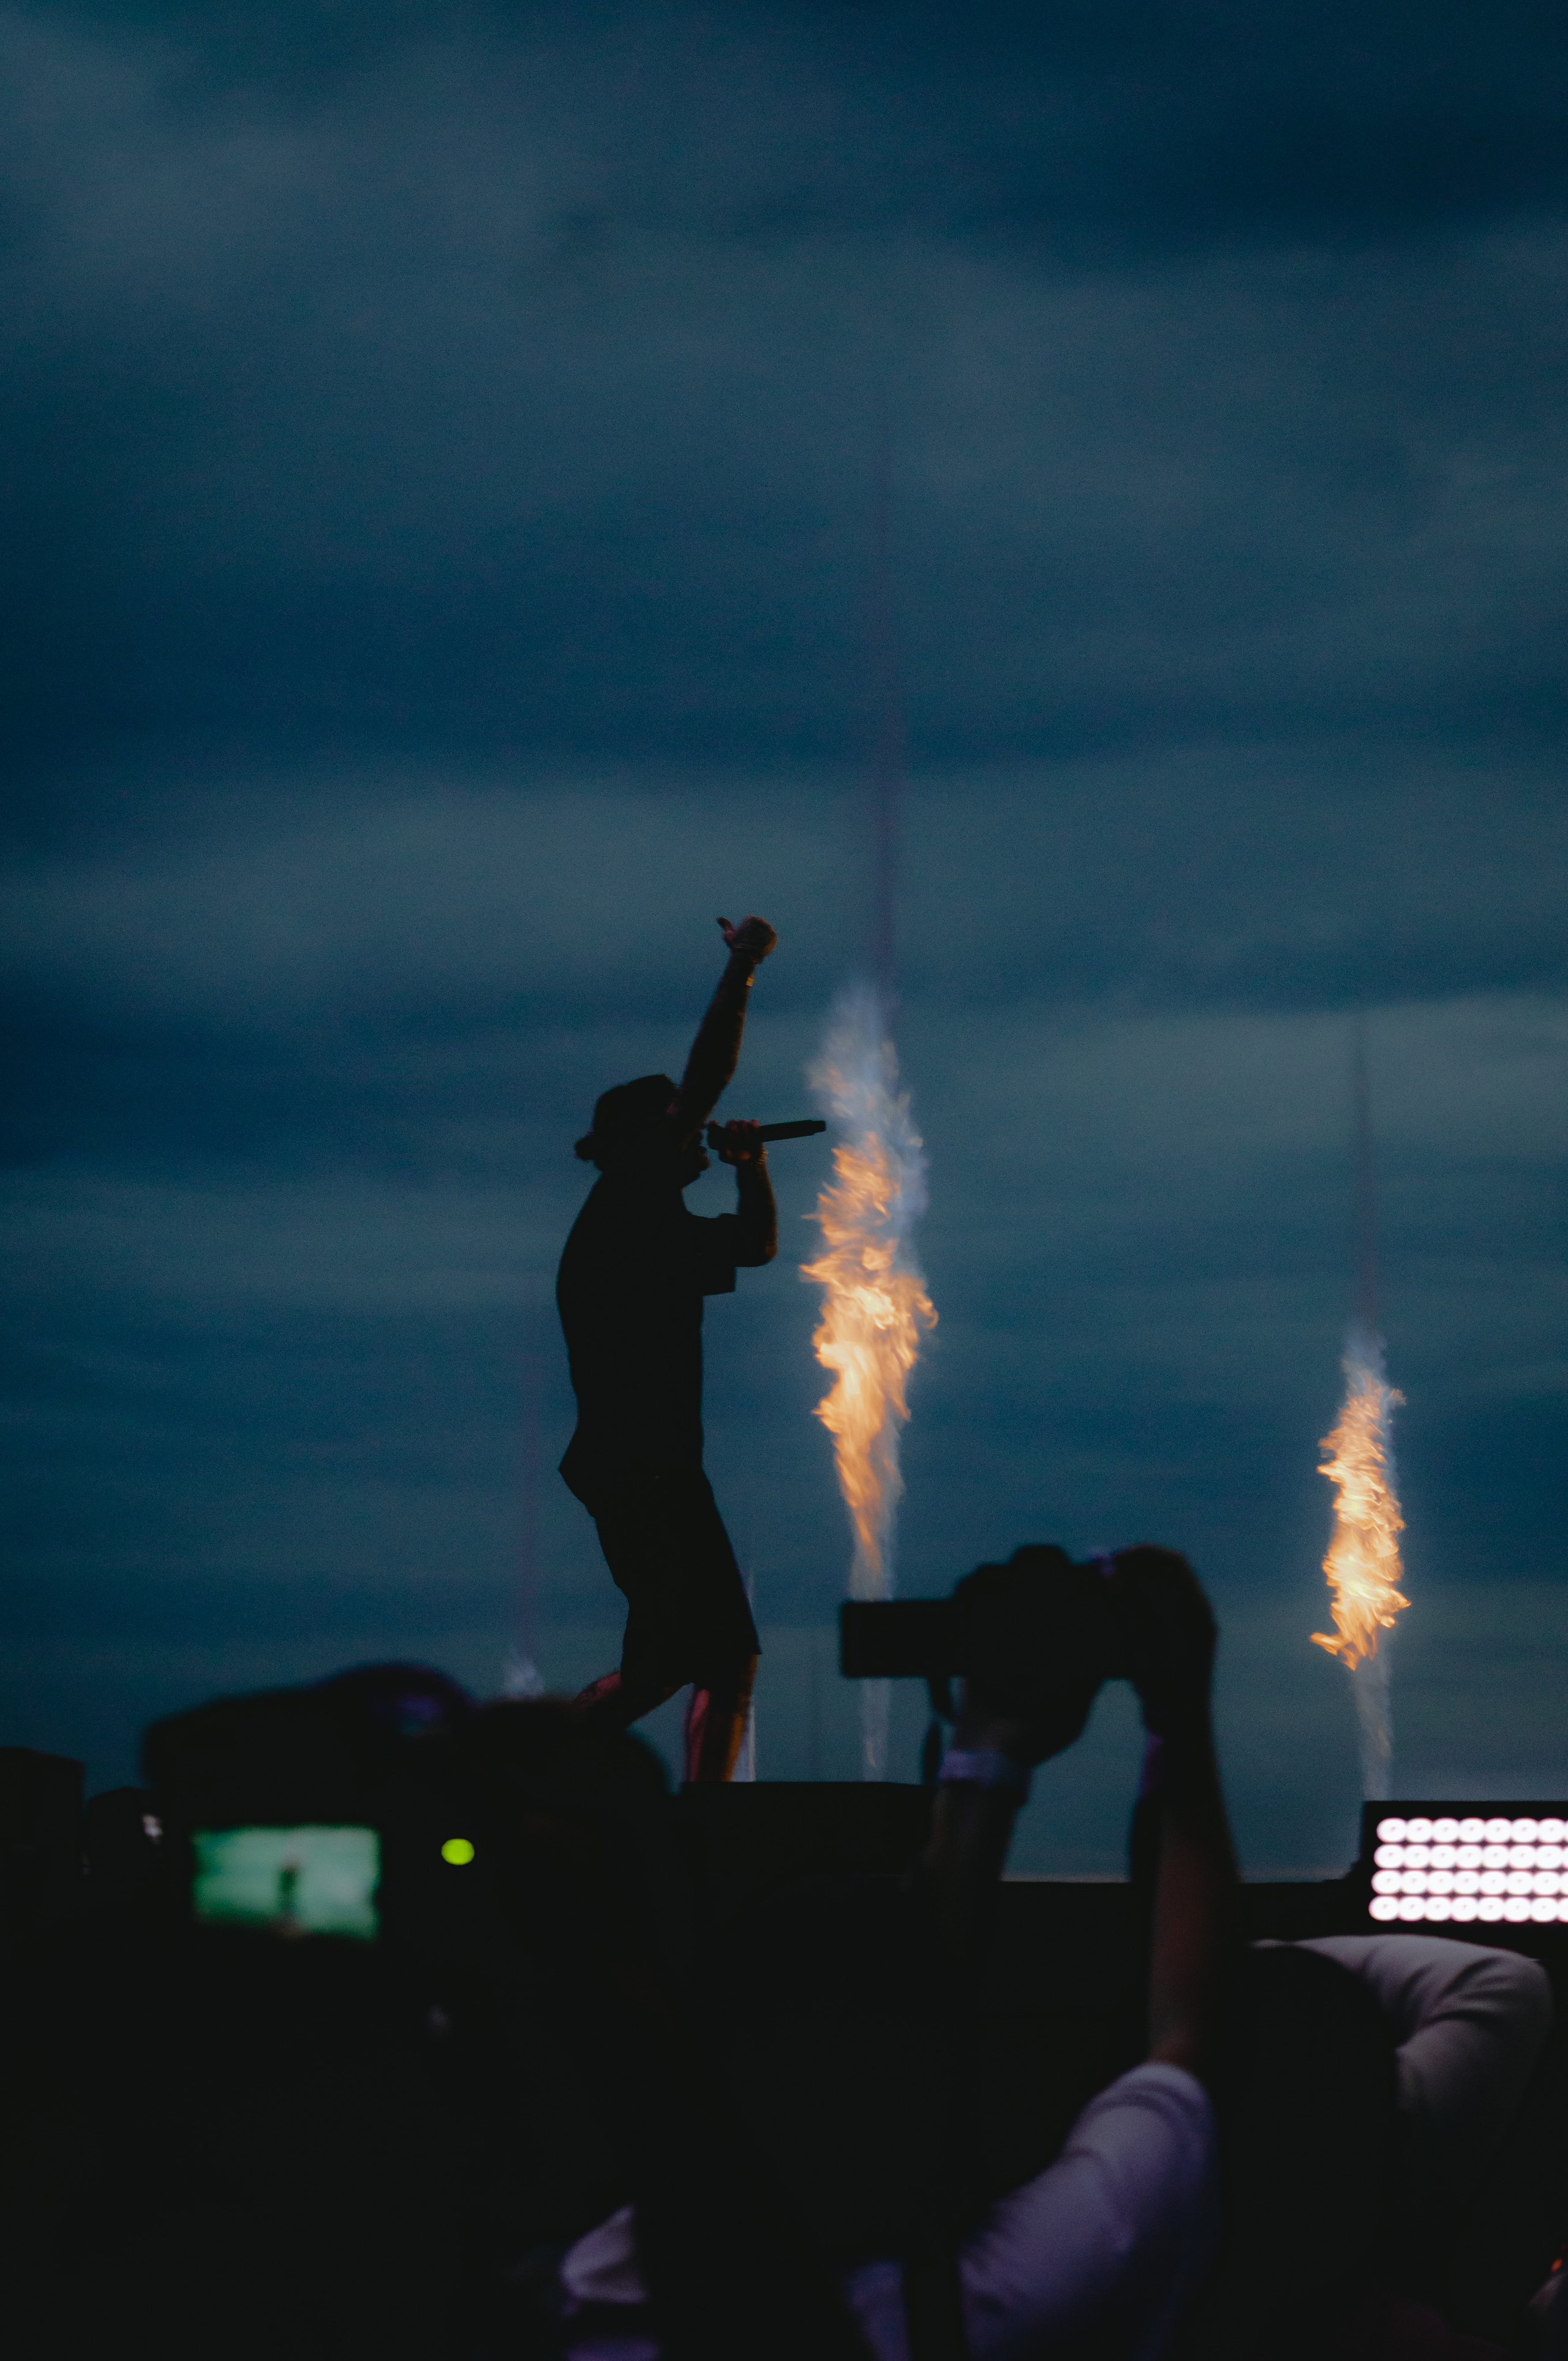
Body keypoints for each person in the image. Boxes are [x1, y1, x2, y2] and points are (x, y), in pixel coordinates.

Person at [556, 913, 780, 1784]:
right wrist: (743, 964)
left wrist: (752, 1165)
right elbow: (708, 1076)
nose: (693, 1136)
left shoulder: (647, 1225)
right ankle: (706, 1822)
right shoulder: (629, 1201)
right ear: (644, 1141)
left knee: (665, 1663)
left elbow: (754, 1247)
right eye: (675, 1126)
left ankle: (533, 1765)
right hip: (647, 1468)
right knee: (724, 1655)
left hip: (635, 1467)